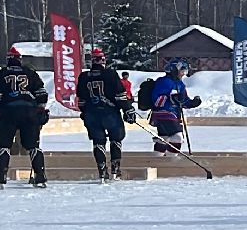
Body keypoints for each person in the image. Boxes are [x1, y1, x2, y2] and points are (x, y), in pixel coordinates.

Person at [0, 48, 49, 188]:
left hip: (8, 112)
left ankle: (1, 177)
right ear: (19, 59)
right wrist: (41, 109)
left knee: (4, 145)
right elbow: (41, 93)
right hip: (29, 112)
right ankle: (40, 175)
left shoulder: (0, 74)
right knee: (33, 146)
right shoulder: (30, 73)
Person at [77, 47, 137, 180]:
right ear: (102, 60)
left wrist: (85, 112)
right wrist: (128, 109)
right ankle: (115, 169)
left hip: (92, 114)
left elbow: (81, 100)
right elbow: (120, 95)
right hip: (110, 113)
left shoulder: (84, 77)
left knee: (98, 141)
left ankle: (102, 170)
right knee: (116, 138)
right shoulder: (110, 74)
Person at [148, 59, 203, 155]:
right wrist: (171, 98)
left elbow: (183, 101)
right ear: (174, 70)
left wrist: (193, 103)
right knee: (177, 137)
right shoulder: (164, 82)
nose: (183, 74)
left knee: (164, 138)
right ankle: (172, 159)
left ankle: (157, 158)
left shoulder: (180, 84)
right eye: (181, 71)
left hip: (173, 114)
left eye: (184, 72)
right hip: (163, 114)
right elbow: (157, 101)